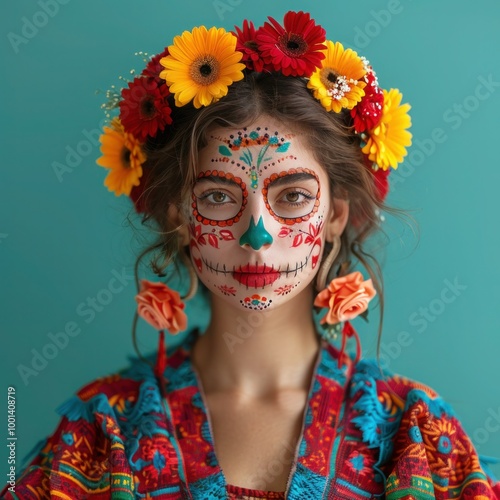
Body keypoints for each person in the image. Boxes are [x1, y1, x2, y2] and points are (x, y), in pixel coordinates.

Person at [2, 10, 499, 500]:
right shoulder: (103, 432)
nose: (256, 234)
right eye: (218, 196)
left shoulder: (414, 434)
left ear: (335, 218)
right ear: (179, 217)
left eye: (294, 196)